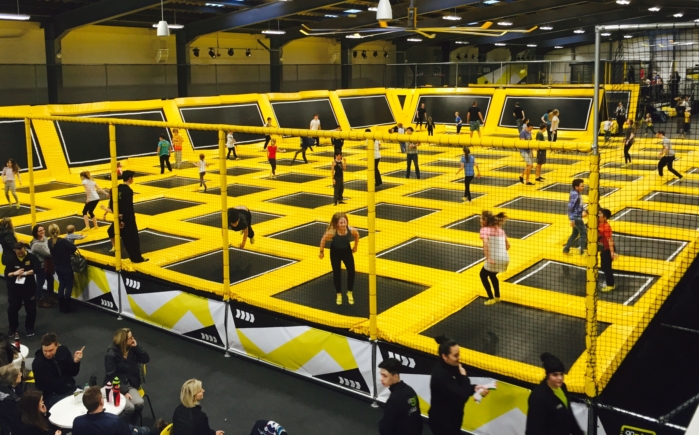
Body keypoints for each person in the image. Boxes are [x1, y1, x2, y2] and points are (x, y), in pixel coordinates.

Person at [429, 335, 491, 435]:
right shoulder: (441, 375)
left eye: (459, 354)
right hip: (443, 425)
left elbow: (460, 388)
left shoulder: (452, 366)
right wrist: (464, 377)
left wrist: (474, 388)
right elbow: (461, 396)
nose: (459, 358)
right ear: (445, 356)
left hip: (453, 419)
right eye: (455, 355)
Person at [525, 353, 583, 435]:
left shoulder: (562, 387)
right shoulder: (538, 397)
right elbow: (534, 429)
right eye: (555, 375)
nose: (560, 378)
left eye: (561, 374)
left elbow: (569, 415)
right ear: (547, 375)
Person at [104, 328, 150, 425]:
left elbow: (146, 359)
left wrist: (137, 347)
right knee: (130, 407)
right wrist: (124, 391)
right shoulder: (111, 355)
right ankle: (119, 427)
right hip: (115, 385)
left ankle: (130, 426)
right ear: (123, 341)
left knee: (140, 403)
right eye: (130, 338)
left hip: (130, 383)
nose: (133, 339)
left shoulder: (132, 349)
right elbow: (112, 376)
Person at [33, 332, 84, 408]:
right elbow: (49, 386)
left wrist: (76, 362)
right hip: (51, 396)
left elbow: (73, 373)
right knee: (70, 407)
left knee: (87, 397)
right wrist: (67, 379)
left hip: (69, 388)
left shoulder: (64, 351)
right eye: (45, 351)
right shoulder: (38, 363)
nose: (48, 354)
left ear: (57, 345)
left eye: (50, 350)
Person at [73, 386, 151, 435]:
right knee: (145, 430)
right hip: (125, 429)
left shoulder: (77, 422)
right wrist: (135, 431)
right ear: (101, 402)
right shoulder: (114, 421)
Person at [318, 212, 359, 306]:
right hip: (335, 253)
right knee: (337, 273)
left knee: (351, 271)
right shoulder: (332, 232)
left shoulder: (350, 230)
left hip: (346, 251)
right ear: (337, 224)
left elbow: (357, 235)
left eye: (345, 222)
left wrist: (355, 246)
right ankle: (339, 294)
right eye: (341, 223)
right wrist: (321, 252)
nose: (343, 224)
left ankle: (349, 292)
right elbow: (323, 240)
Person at [106, 171, 147, 263]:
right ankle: (137, 258)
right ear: (130, 178)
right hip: (128, 219)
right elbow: (127, 206)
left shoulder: (116, 188)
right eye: (132, 178)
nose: (133, 179)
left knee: (126, 238)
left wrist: (118, 216)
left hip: (119, 217)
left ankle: (133, 256)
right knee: (133, 238)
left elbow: (112, 203)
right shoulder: (128, 191)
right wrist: (123, 220)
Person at [377, 358, 422, 435]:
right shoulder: (410, 390)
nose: (381, 379)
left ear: (395, 377)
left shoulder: (394, 399)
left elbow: (386, 427)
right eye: (381, 375)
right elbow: (417, 417)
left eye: (385, 376)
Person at [5, 242, 39, 336]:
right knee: (12, 310)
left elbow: (37, 269)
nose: (20, 254)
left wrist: (25, 273)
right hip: (15, 289)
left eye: (22, 252)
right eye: (18, 253)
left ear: (25, 249)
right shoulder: (11, 259)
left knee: (31, 310)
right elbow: (7, 274)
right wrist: (14, 273)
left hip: (29, 288)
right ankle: (12, 328)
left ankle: (29, 328)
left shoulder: (32, 257)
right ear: (15, 251)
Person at [480, 211, 510, 305]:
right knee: (492, 275)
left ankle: (491, 298)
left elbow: (485, 243)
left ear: (485, 220)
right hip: (505, 258)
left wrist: (488, 257)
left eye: (481, 218)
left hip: (494, 259)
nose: (480, 220)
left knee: (483, 275)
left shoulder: (484, 230)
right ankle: (497, 297)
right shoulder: (501, 231)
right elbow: (508, 246)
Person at [47, 224, 77, 313]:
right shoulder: (63, 241)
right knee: (69, 285)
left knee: (62, 284)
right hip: (66, 265)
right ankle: (67, 307)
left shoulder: (49, 242)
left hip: (57, 266)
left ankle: (61, 306)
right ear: (59, 231)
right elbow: (73, 248)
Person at [30, 225, 55, 308]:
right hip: (41, 266)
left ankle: (51, 296)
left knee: (50, 280)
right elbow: (48, 253)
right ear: (36, 233)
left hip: (47, 265)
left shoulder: (44, 238)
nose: (43, 231)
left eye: (43, 229)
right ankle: (40, 300)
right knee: (40, 283)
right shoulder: (36, 245)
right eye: (40, 231)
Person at [563, 179, 588, 255]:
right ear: (576, 187)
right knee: (583, 233)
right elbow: (570, 207)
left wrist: (584, 210)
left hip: (577, 216)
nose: (583, 187)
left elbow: (579, 205)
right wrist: (572, 219)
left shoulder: (576, 193)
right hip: (576, 217)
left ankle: (566, 249)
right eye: (582, 186)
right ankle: (582, 251)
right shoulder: (575, 195)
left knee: (575, 233)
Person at [597, 208, 618, 293]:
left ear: (604, 217)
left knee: (607, 268)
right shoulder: (597, 222)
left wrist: (612, 252)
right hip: (603, 249)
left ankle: (610, 285)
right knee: (603, 266)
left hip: (608, 249)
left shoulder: (606, 227)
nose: (598, 214)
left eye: (600, 213)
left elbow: (610, 240)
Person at [0, 365, 22, 435]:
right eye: (19, 373)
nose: (21, 374)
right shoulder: (11, 400)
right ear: (13, 378)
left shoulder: (5, 387)